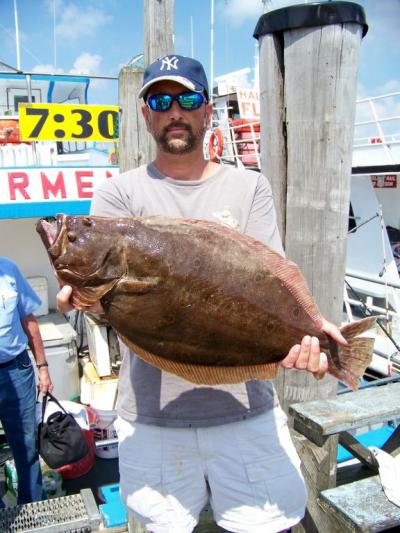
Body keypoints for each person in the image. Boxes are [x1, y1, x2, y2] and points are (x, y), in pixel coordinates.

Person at [57, 55, 346, 533]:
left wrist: (313, 335)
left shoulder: (248, 187)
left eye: (187, 99)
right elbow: (123, 313)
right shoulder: (118, 195)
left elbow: (269, 276)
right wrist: (90, 302)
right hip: (151, 421)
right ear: (146, 113)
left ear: (206, 110)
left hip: (247, 413)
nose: (175, 111)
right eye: (160, 100)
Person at [0, 257, 53, 505]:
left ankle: (32, 509)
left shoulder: (9, 269)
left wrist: (43, 367)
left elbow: (29, 320)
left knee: (26, 445)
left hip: (17, 369)